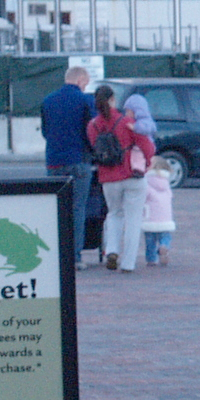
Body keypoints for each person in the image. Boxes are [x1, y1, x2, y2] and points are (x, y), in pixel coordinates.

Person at [86, 85, 152, 273]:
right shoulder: (126, 122)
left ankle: (112, 250)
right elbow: (146, 146)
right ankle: (128, 263)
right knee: (133, 220)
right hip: (132, 174)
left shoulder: (92, 126)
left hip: (108, 176)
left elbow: (95, 147)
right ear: (112, 100)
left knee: (114, 213)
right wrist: (147, 162)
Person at [39, 65, 96, 268]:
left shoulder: (48, 100)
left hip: (54, 161)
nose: (86, 87)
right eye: (86, 83)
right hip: (79, 161)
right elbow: (91, 132)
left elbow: (45, 132)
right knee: (77, 209)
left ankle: (57, 255)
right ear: (80, 80)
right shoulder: (86, 101)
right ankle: (74, 257)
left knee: (57, 209)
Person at [140, 155, 177, 266]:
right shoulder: (166, 184)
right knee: (165, 236)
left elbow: (143, 197)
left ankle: (151, 259)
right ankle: (164, 246)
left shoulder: (146, 182)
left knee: (150, 240)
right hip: (165, 217)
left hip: (150, 217)